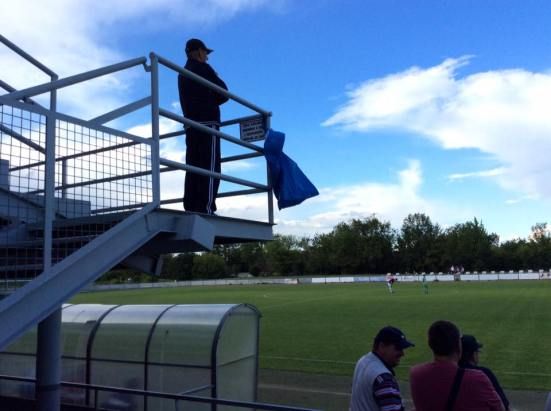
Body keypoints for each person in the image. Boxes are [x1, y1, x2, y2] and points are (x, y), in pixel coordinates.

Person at [178, 38, 229, 215]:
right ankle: (206, 208)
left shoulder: (183, 72)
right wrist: (211, 97)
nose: (207, 57)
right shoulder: (203, 68)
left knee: (194, 167)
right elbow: (224, 92)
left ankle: (191, 207)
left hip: (191, 125)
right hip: (208, 123)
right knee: (211, 167)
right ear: (199, 51)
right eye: (206, 53)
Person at [409, 320, 504, 411]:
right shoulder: (477, 378)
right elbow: (499, 408)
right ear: (458, 345)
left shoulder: (416, 374)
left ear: (430, 344)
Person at [350, 326, 414, 411]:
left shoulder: (363, 360)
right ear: (382, 346)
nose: (402, 353)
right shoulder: (383, 378)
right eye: (398, 348)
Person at [459, 335, 510, 410]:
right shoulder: (484, 373)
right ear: (473, 354)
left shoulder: (450, 372)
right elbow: (503, 404)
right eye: (477, 352)